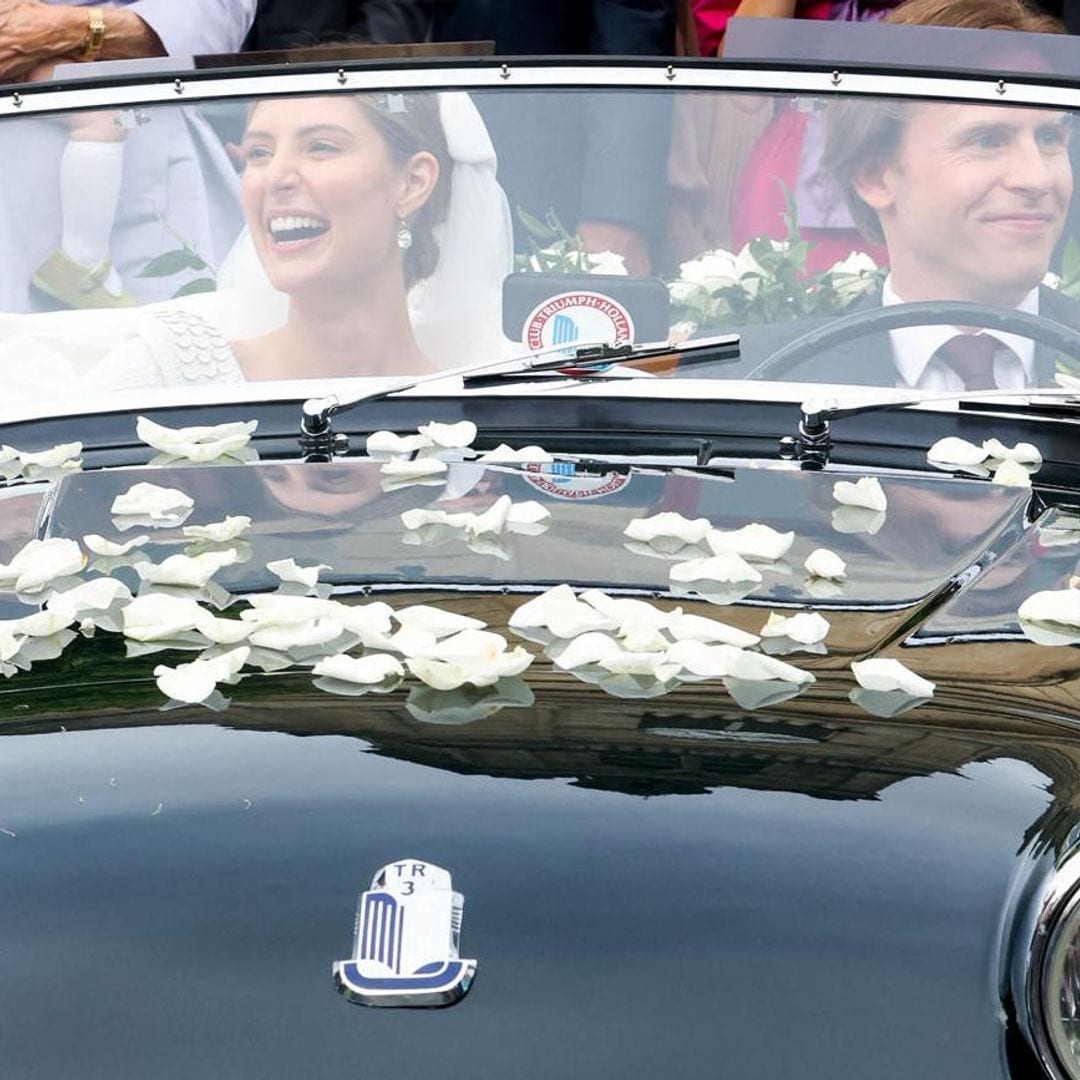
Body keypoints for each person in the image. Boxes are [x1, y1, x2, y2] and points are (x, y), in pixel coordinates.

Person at [84, 89, 512, 387]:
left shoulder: (471, 411)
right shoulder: (167, 372)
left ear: (412, 183)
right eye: (259, 154)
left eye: (320, 147)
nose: (276, 178)